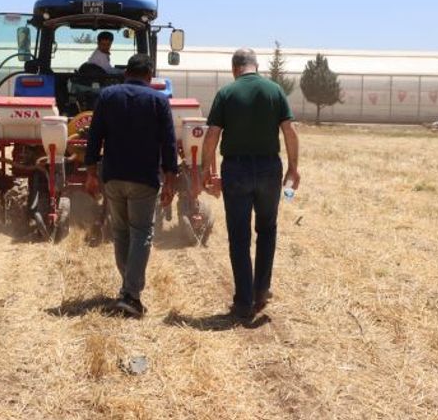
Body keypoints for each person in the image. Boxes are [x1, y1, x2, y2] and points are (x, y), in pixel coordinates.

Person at [201, 48, 300, 320]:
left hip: (236, 170)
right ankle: (261, 292)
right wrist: (293, 167)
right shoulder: (274, 90)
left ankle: (244, 302)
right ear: (256, 66)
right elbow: (289, 130)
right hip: (269, 168)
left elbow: (212, 135)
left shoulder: (226, 93)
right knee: (267, 230)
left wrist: (204, 169)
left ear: (235, 68)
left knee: (239, 236)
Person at [84, 53, 178, 317]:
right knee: (141, 233)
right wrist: (170, 180)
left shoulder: (107, 96)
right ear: (149, 75)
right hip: (143, 179)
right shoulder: (159, 100)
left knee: (121, 232)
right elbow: (169, 144)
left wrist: (91, 172)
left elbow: (94, 138)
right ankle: (131, 295)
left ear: (126, 73)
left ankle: (127, 288)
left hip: (112, 176)